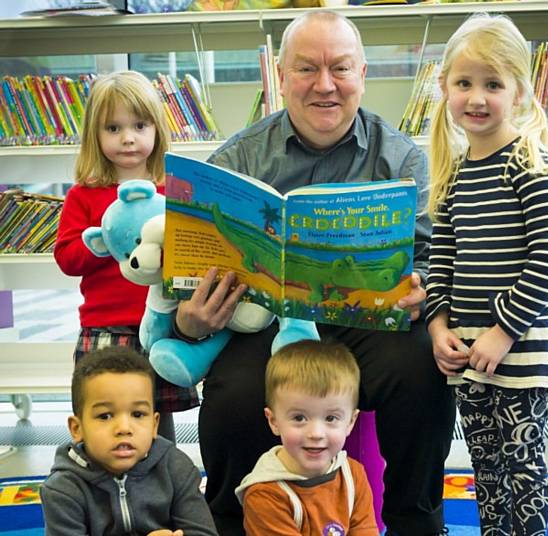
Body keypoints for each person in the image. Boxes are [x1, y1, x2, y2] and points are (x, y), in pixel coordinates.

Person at [175, 10, 456, 536]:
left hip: (367, 324)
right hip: (266, 324)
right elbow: (191, 284)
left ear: (363, 75)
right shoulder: (235, 159)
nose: (325, 85)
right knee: (235, 393)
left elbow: (428, 260)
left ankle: (414, 521)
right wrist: (194, 320)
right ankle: (232, 524)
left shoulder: (402, 160)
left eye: (341, 69)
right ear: (279, 77)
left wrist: (419, 291)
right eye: (306, 69)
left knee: (420, 367)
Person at [424, 13, 548, 535]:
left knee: (522, 464)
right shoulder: (453, 171)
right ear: (445, 87)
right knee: (484, 467)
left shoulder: (529, 161)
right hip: (467, 347)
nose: (477, 97)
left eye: (493, 84)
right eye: (464, 83)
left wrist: (502, 331)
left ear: (519, 92)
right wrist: (437, 327)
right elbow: (441, 261)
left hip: (517, 343)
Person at [54, 70, 199, 442]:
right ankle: (100, 497)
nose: (128, 138)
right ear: (94, 136)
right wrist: (105, 237)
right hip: (104, 329)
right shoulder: (84, 195)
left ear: (156, 129)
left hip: (162, 326)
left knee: (156, 428)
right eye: (113, 128)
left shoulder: (172, 191)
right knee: (102, 426)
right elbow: (67, 258)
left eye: (139, 125)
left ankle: (160, 495)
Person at [39, 346, 218, 536]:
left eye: (138, 414)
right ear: (77, 428)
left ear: (154, 425)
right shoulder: (63, 489)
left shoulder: (175, 468)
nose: (124, 428)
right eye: (105, 416)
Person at [235, 340, 378, 535]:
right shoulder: (265, 494)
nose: (316, 434)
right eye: (299, 418)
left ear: (351, 422)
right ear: (274, 421)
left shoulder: (353, 474)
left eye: (331, 418)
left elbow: (366, 530)